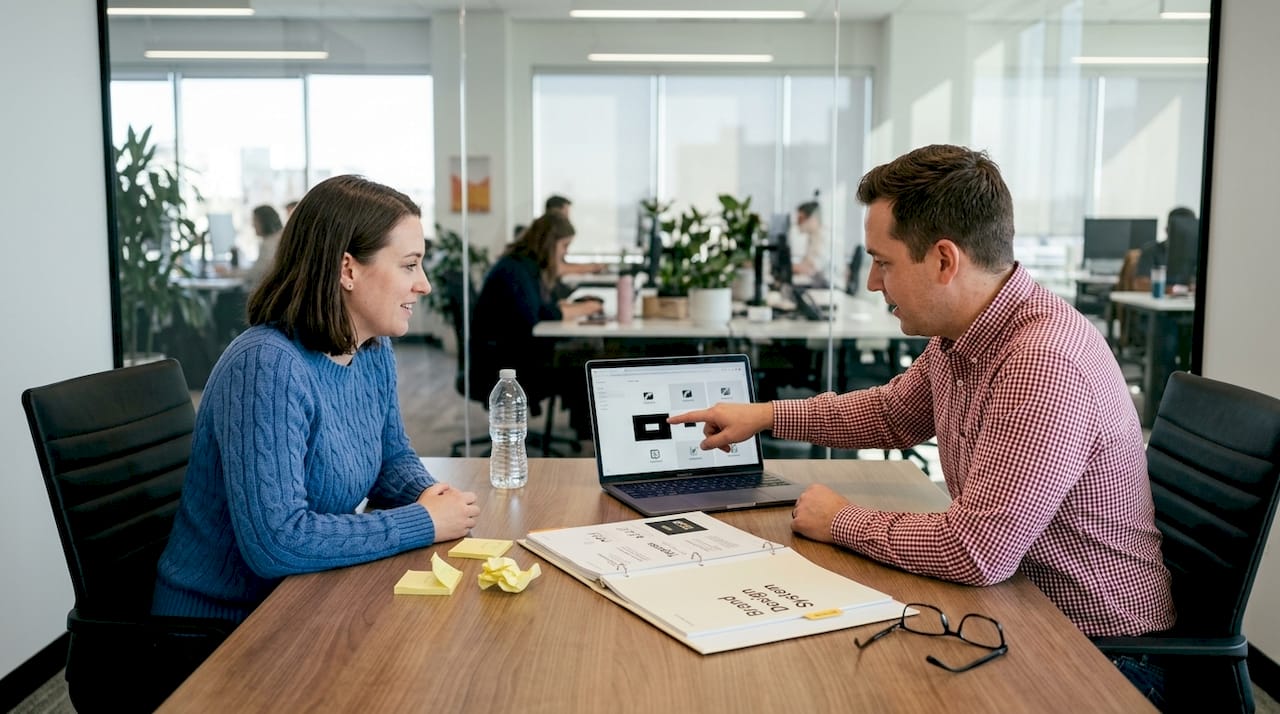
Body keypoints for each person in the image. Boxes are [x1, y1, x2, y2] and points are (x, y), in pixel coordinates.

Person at [669, 144, 1175, 702]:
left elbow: (976, 550)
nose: (871, 284)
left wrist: (841, 520)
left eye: (883, 262)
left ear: (942, 261)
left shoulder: (1042, 359)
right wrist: (763, 415)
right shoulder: (965, 334)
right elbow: (890, 414)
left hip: (1102, 654)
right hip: (1017, 606)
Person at [153, 175, 480, 625]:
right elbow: (279, 541)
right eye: (409, 265)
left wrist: (428, 493)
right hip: (223, 627)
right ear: (348, 270)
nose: (423, 285)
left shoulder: (370, 348)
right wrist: (423, 522)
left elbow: (391, 457)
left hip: (305, 598)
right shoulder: (266, 367)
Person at [471, 212, 601, 438]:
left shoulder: (522, 264)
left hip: (508, 355)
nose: (565, 253)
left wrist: (575, 308)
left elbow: (540, 309)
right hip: (505, 366)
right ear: (549, 243)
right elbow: (536, 317)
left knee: (583, 352)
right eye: (564, 246)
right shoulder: (515, 270)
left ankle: (585, 433)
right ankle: (588, 437)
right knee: (585, 361)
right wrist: (585, 309)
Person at [544, 194, 606, 277]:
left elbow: (563, 264)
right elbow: (557, 268)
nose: (568, 218)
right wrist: (592, 267)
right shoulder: (547, 234)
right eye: (566, 214)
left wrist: (590, 266)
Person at [240, 204, 284, 292]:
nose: (253, 225)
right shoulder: (280, 237)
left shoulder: (270, 244)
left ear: (265, 222)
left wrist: (233, 273)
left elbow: (257, 273)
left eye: (255, 221)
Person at [790, 196, 831, 286]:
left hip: (824, 287)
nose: (797, 223)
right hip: (815, 283)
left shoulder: (824, 238)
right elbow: (806, 264)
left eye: (801, 218)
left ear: (813, 219)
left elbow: (811, 270)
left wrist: (788, 267)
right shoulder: (812, 238)